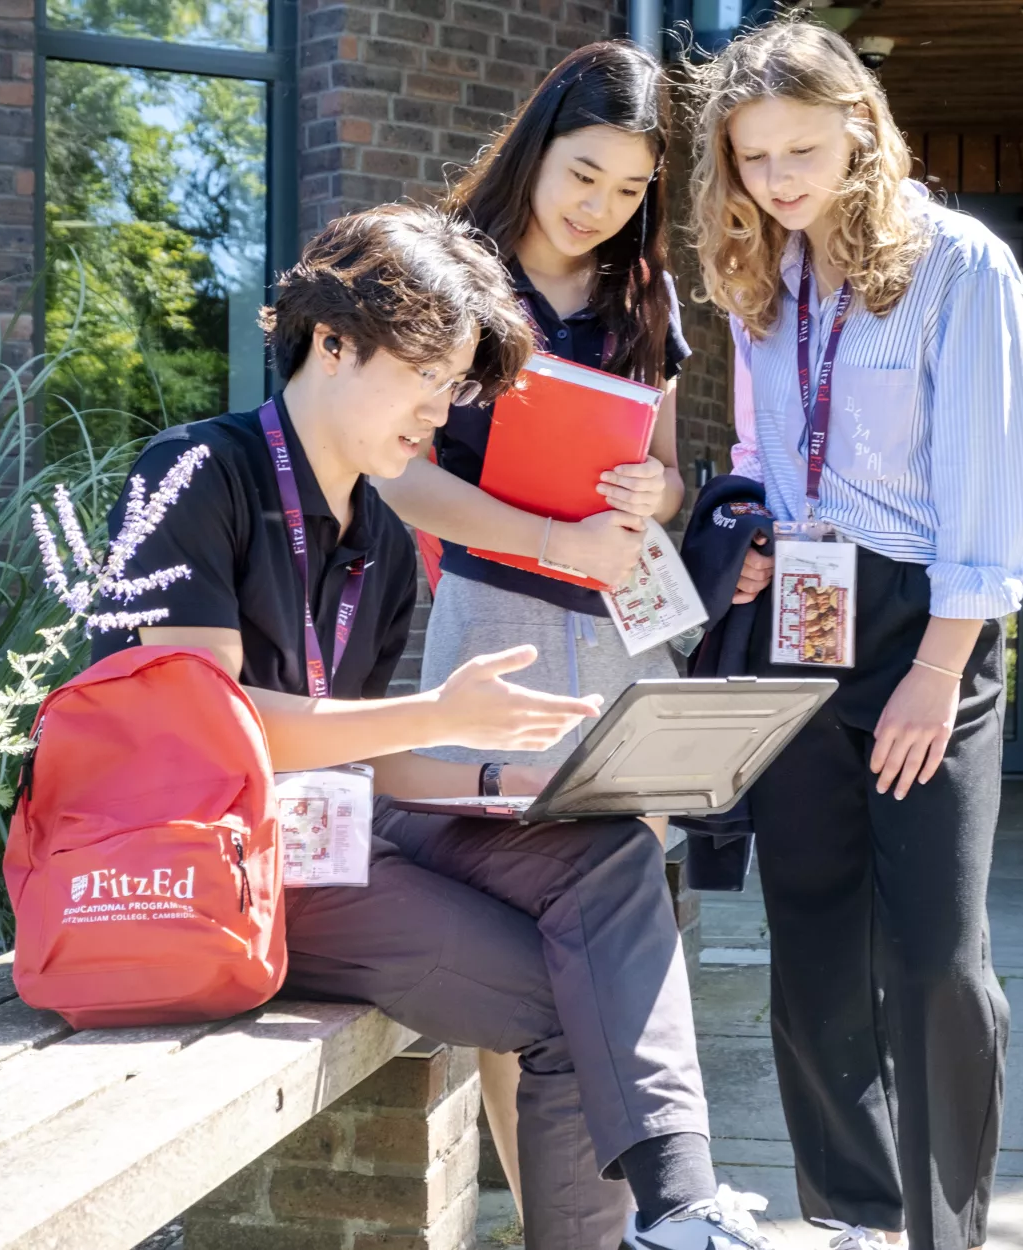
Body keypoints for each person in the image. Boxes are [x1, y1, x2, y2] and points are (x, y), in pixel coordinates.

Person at [91, 205, 775, 1250]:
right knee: (564, 996)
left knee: (602, 850)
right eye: (431, 376)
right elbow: (197, 734)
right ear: (331, 341)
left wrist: (510, 778)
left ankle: (677, 1205)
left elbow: (363, 749)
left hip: (337, 829)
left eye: (457, 383)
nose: (444, 410)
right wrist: (439, 714)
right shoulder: (194, 472)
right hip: (214, 856)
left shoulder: (385, 541)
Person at [689, 19, 1023, 1250]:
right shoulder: (758, 278)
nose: (780, 179)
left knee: (938, 951)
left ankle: (944, 1230)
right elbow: (758, 450)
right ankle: (849, 1211)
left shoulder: (960, 266)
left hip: (926, 620)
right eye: (752, 159)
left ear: (860, 128)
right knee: (812, 929)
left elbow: (995, 494)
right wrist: (744, 534)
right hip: (800, 603)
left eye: (801, 147)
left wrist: (935, 672)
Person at [370, 42, 691, 1213]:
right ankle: (546, 1215)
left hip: (618, 641)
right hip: (491, 631)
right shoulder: (452, 275)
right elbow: (398, 476)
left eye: (626, 191)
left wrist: (659, 496)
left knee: (618, 928)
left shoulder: (641, 296)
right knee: (517, 932)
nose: (599, 208)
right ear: (537, 140)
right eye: (583, 172)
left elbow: (665, 475)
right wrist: (545, 538)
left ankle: (630, 1216)